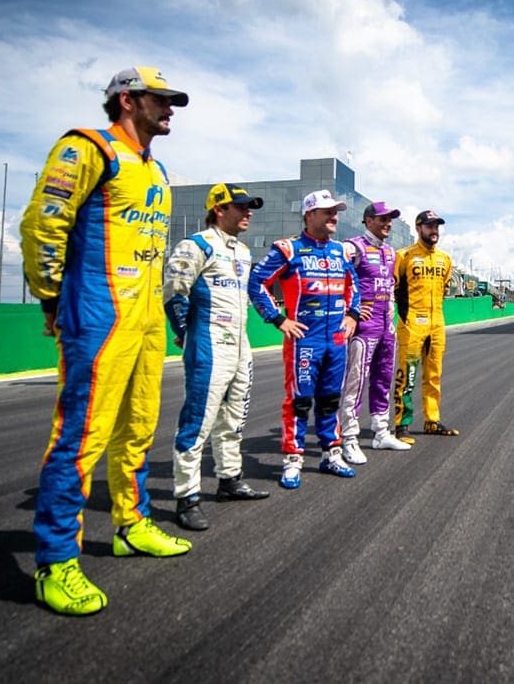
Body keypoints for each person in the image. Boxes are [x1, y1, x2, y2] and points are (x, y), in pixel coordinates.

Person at [20, 66, 193, 617]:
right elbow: (43, 225)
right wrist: (52, 298)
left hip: (146, 319)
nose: (170, 110)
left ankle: (131, 523)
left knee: (139, 425)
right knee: (81, 437)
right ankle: (55, 561)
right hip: (98, 314)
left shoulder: (156, 168)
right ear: (126, 100)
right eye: (159, 100)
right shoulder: (87, 148)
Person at [164, 183, 271, 532]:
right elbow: (174, 292)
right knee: (198, 420)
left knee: (234, 418)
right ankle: (187, 496)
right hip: (209, 345)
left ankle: (229, 480)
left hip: (240, 345)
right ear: (219, 210)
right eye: (240, 206)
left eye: (249, 207)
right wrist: (184, 333)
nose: (247, 212)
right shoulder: (195, 245)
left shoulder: (241, 251)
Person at [249, 189, 361, 489]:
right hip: (304, 342)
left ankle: (332, 454)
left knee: (329, 401)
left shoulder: (341, 251)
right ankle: (293, 459)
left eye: (335, 211)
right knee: (299, 402)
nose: (334, 216)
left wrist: (352, 315)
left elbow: (354, 284)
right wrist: (278, 319)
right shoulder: (289, 249)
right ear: (309, 214)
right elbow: (256, 282)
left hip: (336, 340)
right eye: (327, 211)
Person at [337, 201, 412, 463]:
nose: (387, 223)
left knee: (383, 378)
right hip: (363, 327)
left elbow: (391, 286)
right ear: (368, 221)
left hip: (385, 325)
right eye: (382, 219)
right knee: (355, 382)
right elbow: (332, 275)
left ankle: (381, 432)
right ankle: (348, 438)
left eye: (390, 219)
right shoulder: (353, 247)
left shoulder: (391, 252)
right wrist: (350, 310)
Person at [392, 209, 457, 441]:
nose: (434, 230)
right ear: (418, 228)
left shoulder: (445, 259)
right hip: (411, 323)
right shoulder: (404, 256)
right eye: (429, 226)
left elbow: (445, 289)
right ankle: (402, 424)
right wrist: (405, 317)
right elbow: (395, 288)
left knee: (434, 375)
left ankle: (432, 420)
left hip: (437, 323)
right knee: (407, 375)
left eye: (437, 226)